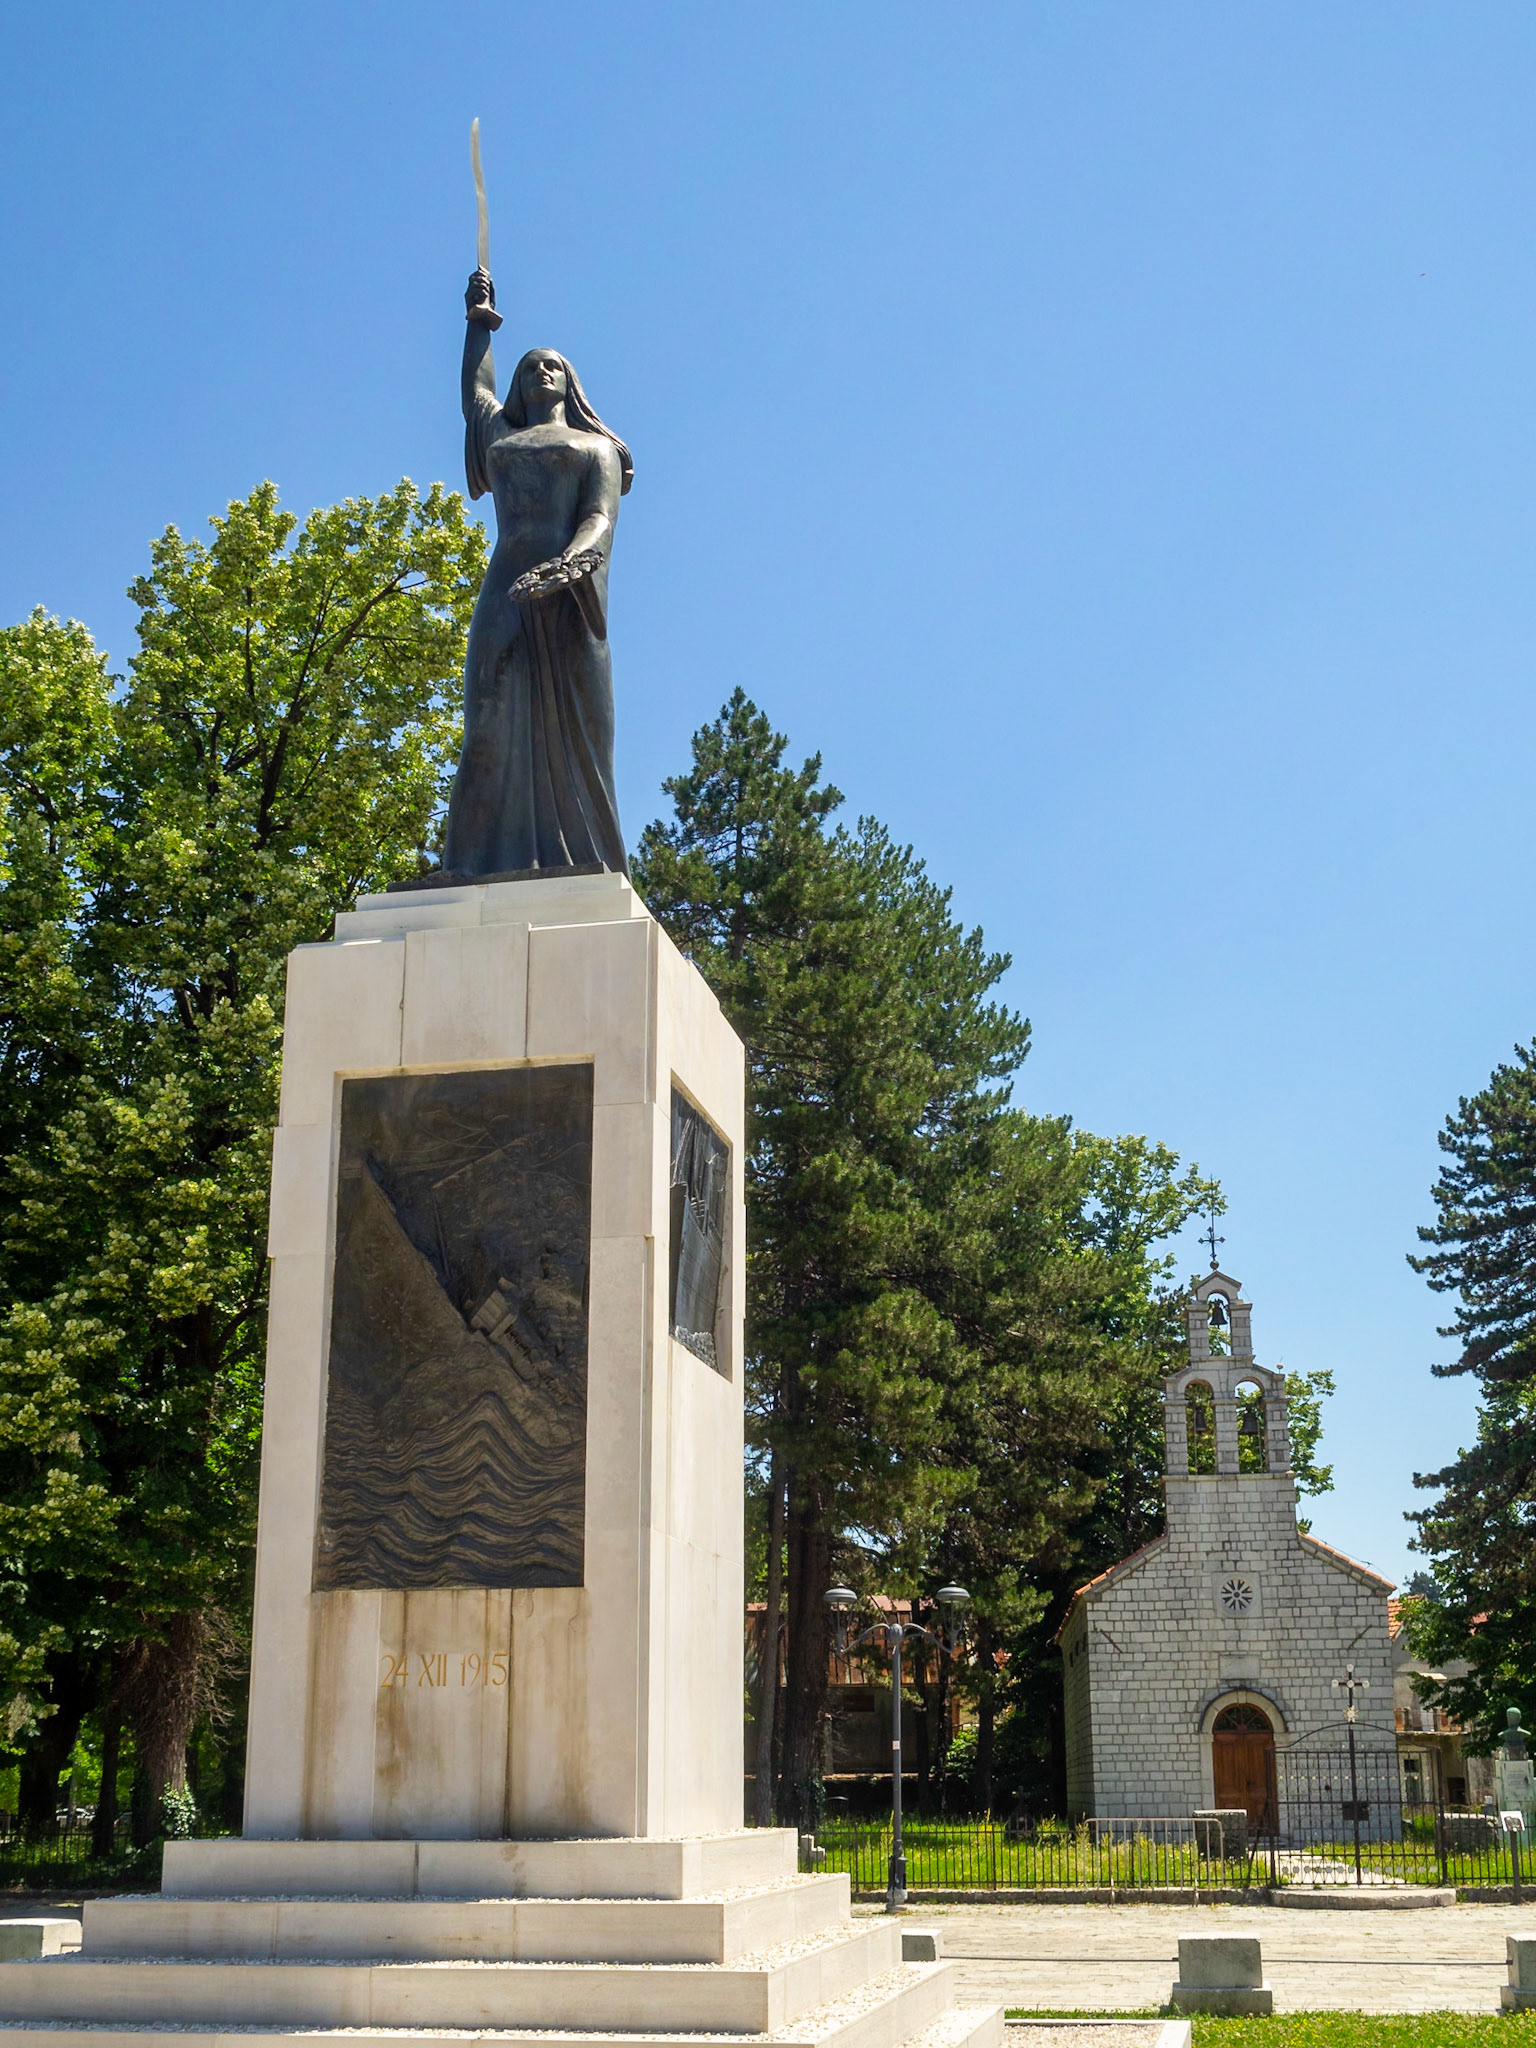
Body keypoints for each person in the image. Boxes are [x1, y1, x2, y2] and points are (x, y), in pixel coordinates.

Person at [443, 268, 633, 877]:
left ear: (570, 381)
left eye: (552, 365)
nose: (541, 372)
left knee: (584, 734)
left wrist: (568, 566)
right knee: (488, 726)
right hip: (505, 591)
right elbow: (476, 392)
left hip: (570, 596)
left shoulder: (595, 449)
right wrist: (479, 323)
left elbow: (600, 518)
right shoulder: (501, 436)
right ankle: (466, 866)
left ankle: (587, 862)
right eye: (530, 368)